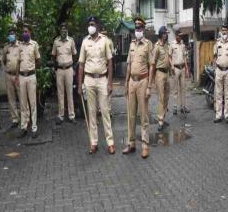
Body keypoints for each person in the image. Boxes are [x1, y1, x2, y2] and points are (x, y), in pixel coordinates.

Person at [78, 16, 115, 154]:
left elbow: (110, 62)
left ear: (97, 26)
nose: (90, 26)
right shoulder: (84, 42)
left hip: (102, 80)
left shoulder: (104, 41)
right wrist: (80, 84)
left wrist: (110, 83)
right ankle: (93, 142)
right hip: (88, 80)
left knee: (105, 112)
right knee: (91, 112)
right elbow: (81, 64)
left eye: (92, 24)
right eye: (89, 24)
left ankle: (110, 142)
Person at [122, 16, 154, 159]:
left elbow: (151, 66)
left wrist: (149, 87)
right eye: (136, 27)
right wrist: (126, 81)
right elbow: (129, 64)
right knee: (131, 115)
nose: (137, 29)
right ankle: (131, 143)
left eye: (140, 27)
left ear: (144, 29)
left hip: (142, 81)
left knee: (143, 115)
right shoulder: (132, 44)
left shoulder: (148, 44)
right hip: (132, 83)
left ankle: (145, 145)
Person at [17, 24, 41, 138]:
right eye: (23, 32)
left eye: (26, 31)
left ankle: (34, 127)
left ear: (30, 33)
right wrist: (17, 77)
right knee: (23, 104)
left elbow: (38, 60)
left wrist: (33, 71)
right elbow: (18, 62)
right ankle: (23, 127)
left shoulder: (34, 44)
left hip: (31, 76)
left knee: (32, 103)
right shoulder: (19, 46)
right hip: (21, 77)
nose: (24, 33)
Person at [52, 22, 77, 125]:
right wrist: (54, 67)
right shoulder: (56, 41)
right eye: (62, 28)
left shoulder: (71, 41)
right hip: (59, 70)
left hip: (69, 69)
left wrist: (72, 67)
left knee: (69, 93)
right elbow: (53, 55)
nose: (63, 30)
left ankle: (71, 116)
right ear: (60, 30)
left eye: (65, 29)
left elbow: (75, 55)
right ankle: (61, 116)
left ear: (67, 30)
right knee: (60, 93)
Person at [212, 24, 228, 123]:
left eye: (225, 30)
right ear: (221, 31)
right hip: (219, 70)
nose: (224, 32)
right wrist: (215, 69)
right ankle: (218, 115)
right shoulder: (217, 42)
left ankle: (227, 115)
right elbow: (214, 56)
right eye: (222, 30)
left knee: (227, 95)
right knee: (218, 94)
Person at [152, 26, 170, 132]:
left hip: (167, 73)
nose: (166, 35)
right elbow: (153, 63)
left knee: (166, 97)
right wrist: (154, 78)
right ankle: (160, 121)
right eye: (164, 33)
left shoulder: (166, 45)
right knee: (161, 98)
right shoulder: (157, 47)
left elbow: (168, 58)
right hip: (159, 73)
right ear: (161, 34)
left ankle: (163, 117)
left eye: (167, 33)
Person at [2, 27, 21, 128]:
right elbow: (4, 61)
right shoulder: (6, 47)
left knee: (21, 97)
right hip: (9, 75)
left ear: (16, 35)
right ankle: (15, 119)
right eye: (10, 34)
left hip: (18, 76)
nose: (11, 36)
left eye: (13, 34)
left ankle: (24, 118)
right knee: (11, 98)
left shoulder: (20, 46)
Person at [169, 30, 190, 114]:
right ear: (176, 36)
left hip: (182, 68)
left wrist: (187, 69)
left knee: (183, 88)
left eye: (181, 36)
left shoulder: (183, 45)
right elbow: (169, 56)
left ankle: (183, 106)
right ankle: (175, 107)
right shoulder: (172, 44)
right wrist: (172, 66)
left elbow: (184, 57)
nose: (180, 37)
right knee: (175, 89)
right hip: (176, 68)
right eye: (179, 36)